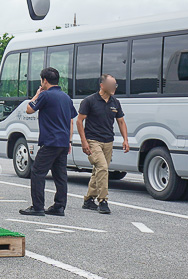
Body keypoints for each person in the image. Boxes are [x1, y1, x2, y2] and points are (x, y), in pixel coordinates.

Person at [20, 67, 76, 217]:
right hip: (64, 142)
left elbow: (29, 109)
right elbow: (71, 121)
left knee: (37, 172)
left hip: (50, 141)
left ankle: (38, 206)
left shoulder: (45, 95)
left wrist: (37, 94)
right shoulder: (66, 98)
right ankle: (59, 206)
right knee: (60, 176)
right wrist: (69, 141)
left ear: (44, 81)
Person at [77, 74, 129, 214]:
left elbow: (121, 121)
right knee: (102, 167)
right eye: (112, 85)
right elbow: (79, 121)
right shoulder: (89, 101)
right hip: (93, 140)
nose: (114, 88)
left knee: (99, 171)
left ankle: (88, 200)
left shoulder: (115, 102)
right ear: (102, 85)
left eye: (115, 85)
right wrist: (84, 141)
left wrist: (125, 139)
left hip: (108, 141)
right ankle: (103, 200)